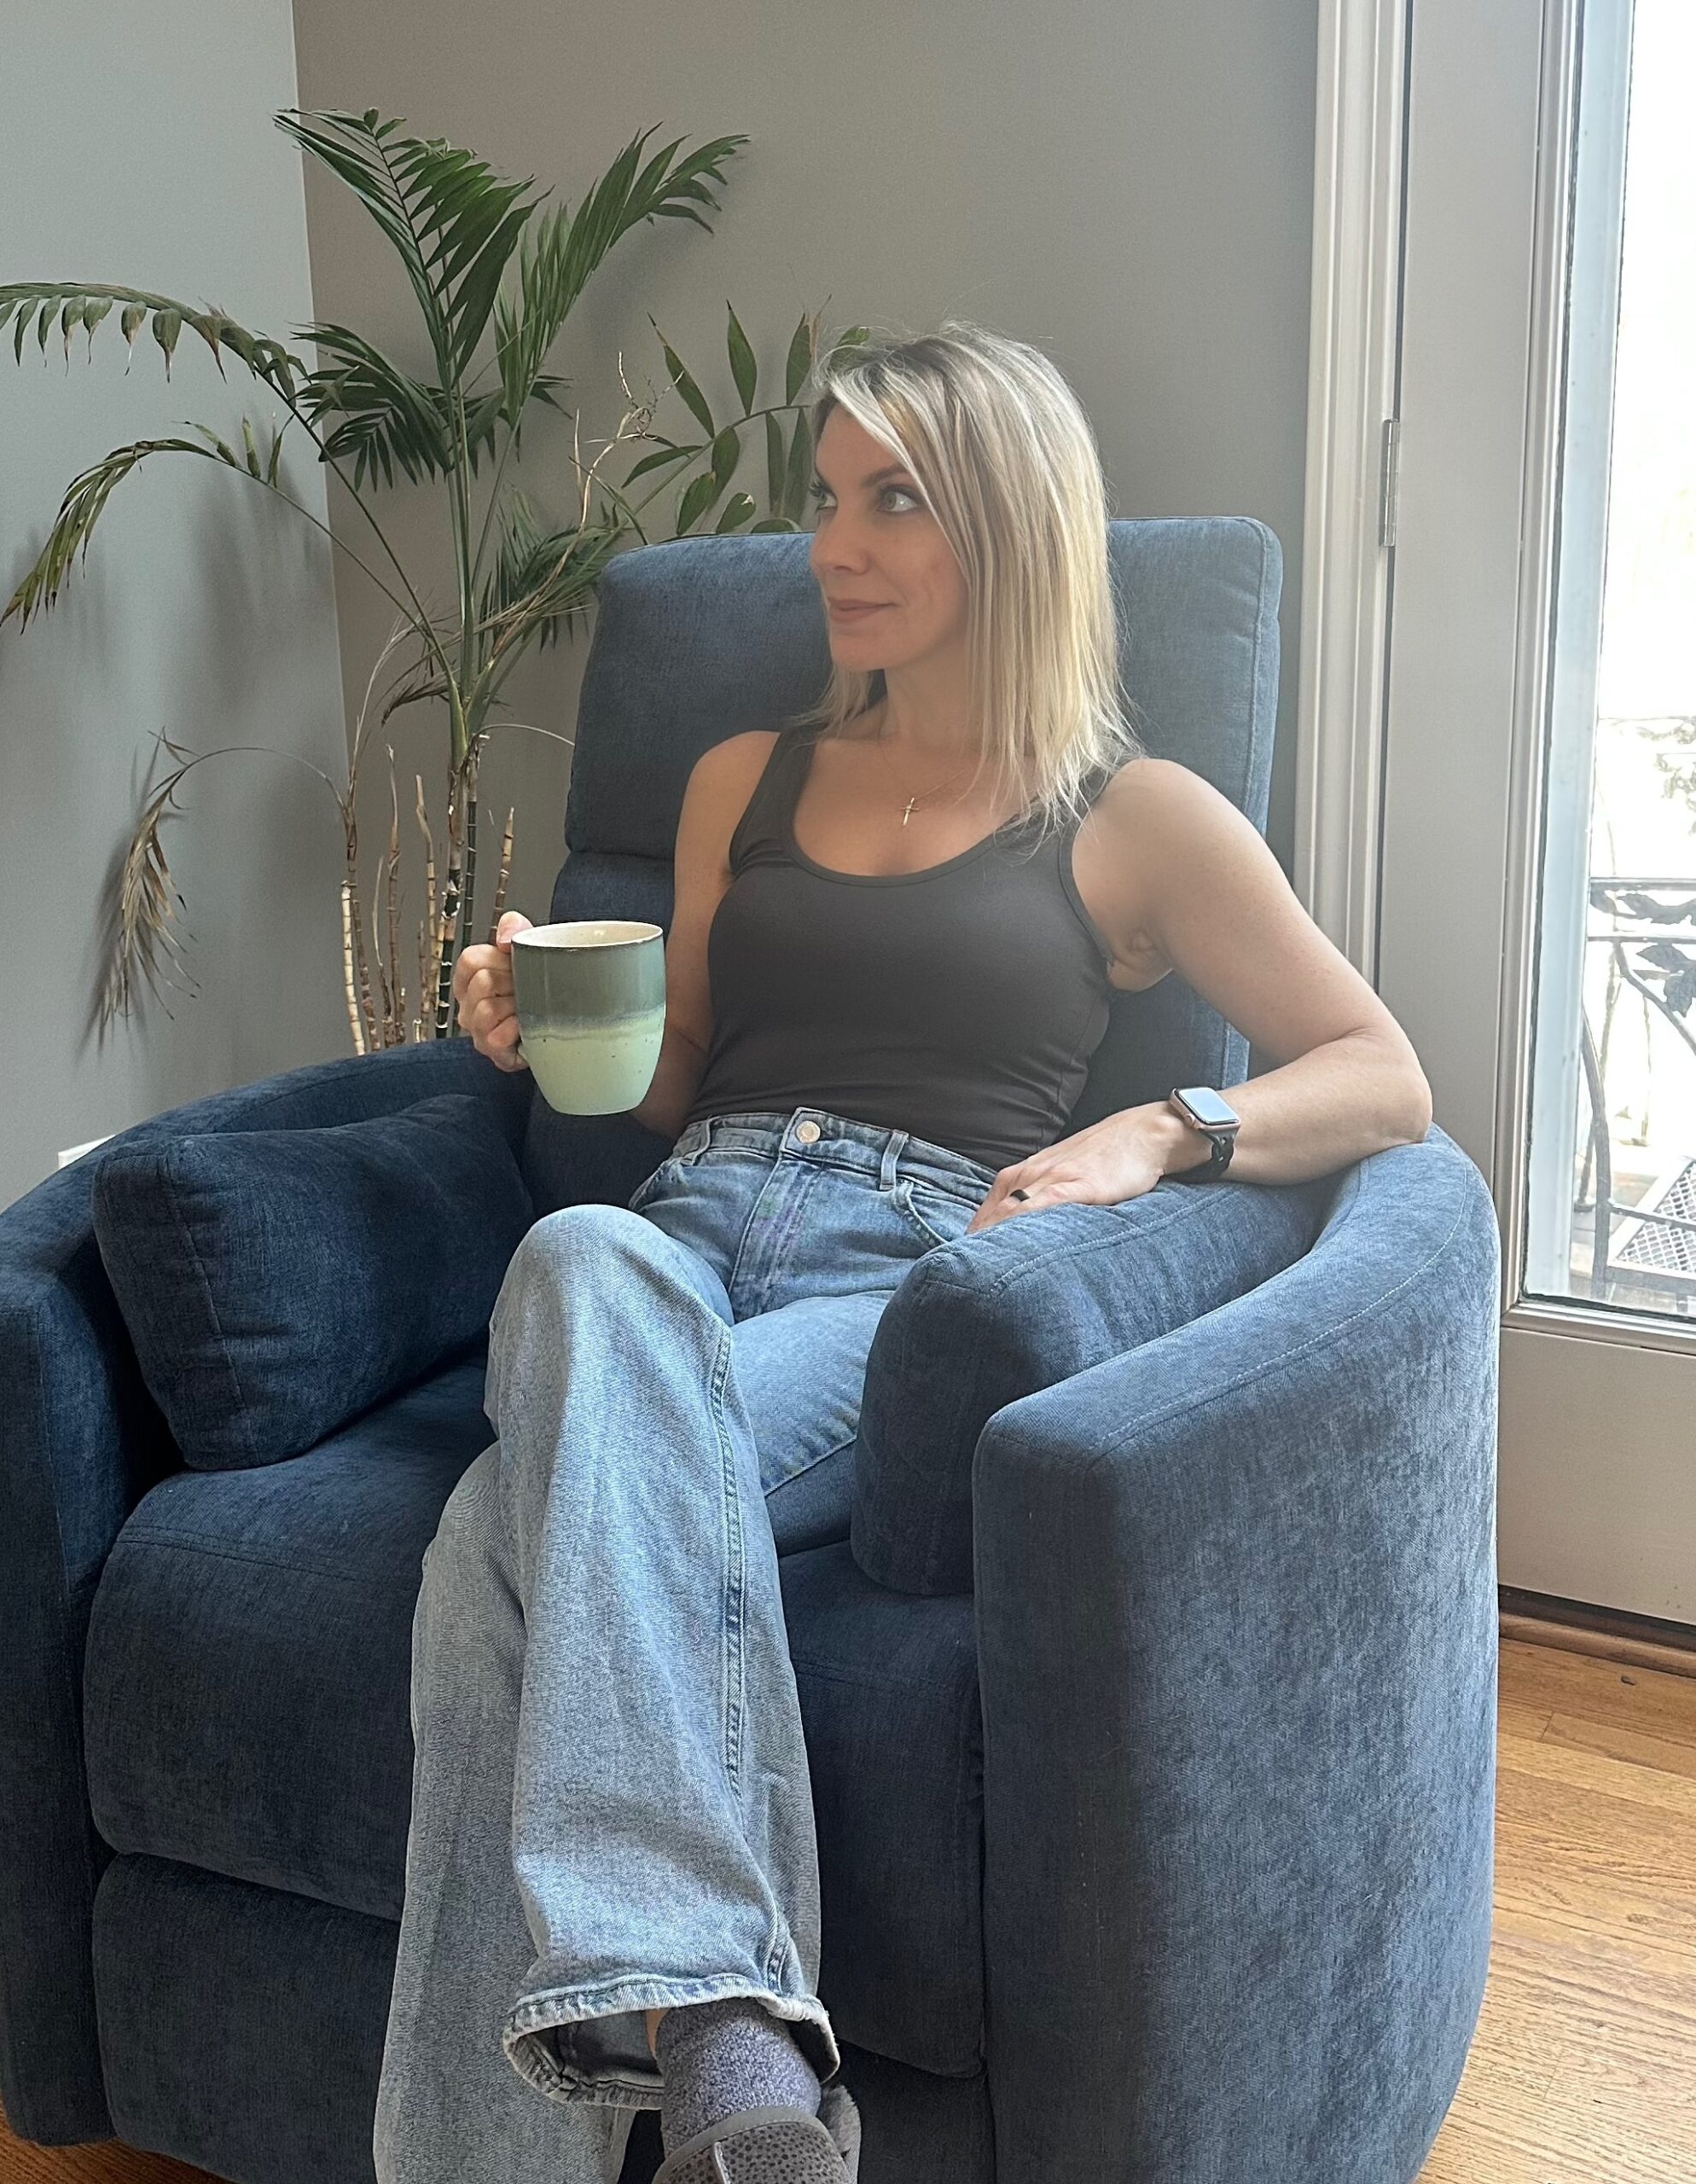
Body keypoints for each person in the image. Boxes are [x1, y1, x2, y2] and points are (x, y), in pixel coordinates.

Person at [373, 322, 1433, 2184]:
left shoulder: (1131, 812)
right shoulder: (739, 778)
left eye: (893, 501)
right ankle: (734, 2064)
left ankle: (665, 2063)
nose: (831, 545)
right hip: (681, 1230)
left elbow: (1383, 1074)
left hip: (901, 1283)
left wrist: (1156, 1126)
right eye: (823, 498)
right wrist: (535, 1018)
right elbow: (676, 1083)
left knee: (490, 1539)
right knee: (577, 1274)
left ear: (1010, 527)